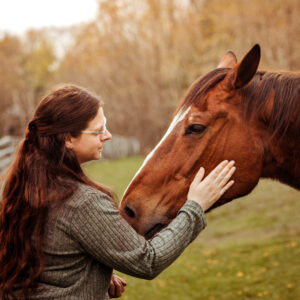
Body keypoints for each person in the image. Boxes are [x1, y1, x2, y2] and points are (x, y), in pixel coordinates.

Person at [0, 84, 235, 299]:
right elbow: (148, 260)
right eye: (98, 130)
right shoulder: (82, 203)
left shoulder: (26, 187)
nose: (108, 135)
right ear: (68, 139)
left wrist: (93, 276)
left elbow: (48, 258)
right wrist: (195, 206)